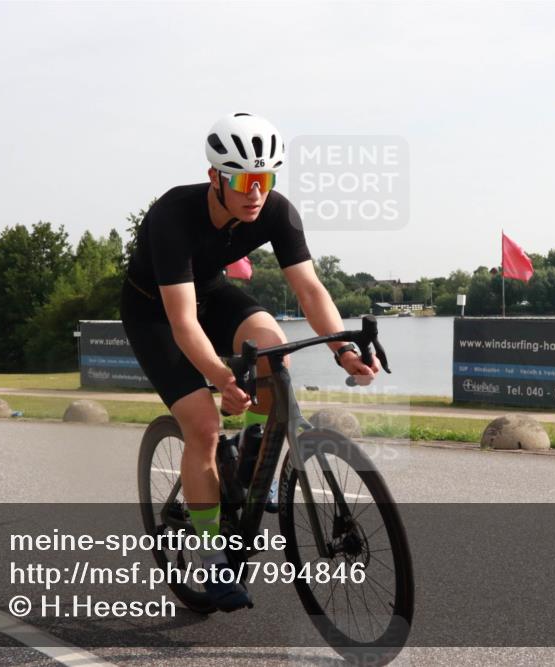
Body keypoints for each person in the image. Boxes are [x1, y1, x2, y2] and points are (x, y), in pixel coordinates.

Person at [121, 112, 380, 612]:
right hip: (155, 311)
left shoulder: (276, 212)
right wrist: (220, 378)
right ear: (216, 176)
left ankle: (252, 460)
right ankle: (213, 556)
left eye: (264, 179)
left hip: (212, 293)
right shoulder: (174, 213)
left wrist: (343, 350)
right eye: (242, 180)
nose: (254, 192)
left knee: (271, 348)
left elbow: (309, 289)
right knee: (202, 426)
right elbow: (181, 322)